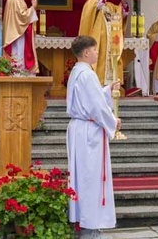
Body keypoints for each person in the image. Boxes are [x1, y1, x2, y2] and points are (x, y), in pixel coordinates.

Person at [66, 35, 120, 238]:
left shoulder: (78, 71)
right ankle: (90, 227)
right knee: (90, 178)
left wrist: (106, 90)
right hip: (89, 134)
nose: (97, 53)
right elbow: (96, 107)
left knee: (84, 177)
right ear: (86, 52)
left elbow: (89, 98)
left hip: (81, 129)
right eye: (95, 50)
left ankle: (85, 222)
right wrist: (113, 121)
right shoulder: (87, 75)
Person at [78, 0, 130, 85]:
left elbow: (121, 14)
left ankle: (110, 85)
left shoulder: (109, 6)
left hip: (110, 43)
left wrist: (123, 2)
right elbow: (96, 4)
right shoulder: (90, 4)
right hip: (98, 42)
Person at [2, 0, 39, 74]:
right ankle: (19, 75)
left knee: (15, 57)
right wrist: (33, 7)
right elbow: (23, 16)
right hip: (17, 35)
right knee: (18, 56)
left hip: (15, 32)